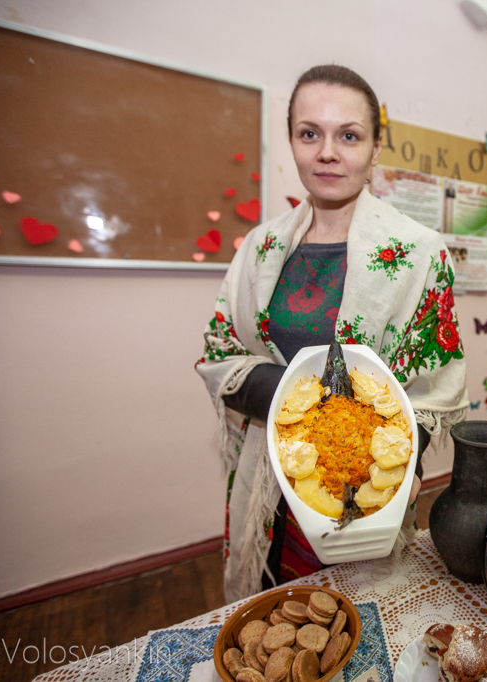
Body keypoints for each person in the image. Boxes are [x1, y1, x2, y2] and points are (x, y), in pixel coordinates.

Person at [195, 64, 469, 603]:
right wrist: (301, 392)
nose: (327, 152)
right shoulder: (260, 248)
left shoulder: (416, 252)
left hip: (365, 482)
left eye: (348, 135)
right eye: (309, 133)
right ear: (292, 142)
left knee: (357, 617)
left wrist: (402, 471)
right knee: (279, 617)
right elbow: (220, 351)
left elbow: (434, 386)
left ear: (375, 148)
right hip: (269, 478)